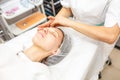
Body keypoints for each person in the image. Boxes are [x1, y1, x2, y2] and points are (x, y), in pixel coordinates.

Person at [39, 0, 120, 44]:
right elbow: (69, 8)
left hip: (98, 36)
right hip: (75, 27)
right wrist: (56, 20)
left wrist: (68, 23)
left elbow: (111, 35)